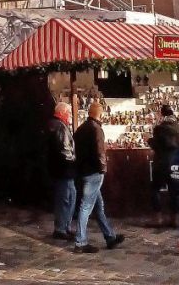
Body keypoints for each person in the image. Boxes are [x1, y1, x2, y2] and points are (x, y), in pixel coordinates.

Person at [73, 102, 125, 254]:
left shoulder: (81, 129)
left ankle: (109, 236)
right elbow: (99, 151)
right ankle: (80, 241)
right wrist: (103, 169)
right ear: (99, 114)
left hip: (83, 171)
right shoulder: (96, 129)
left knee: (97, 206)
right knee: (87, 206)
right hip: (94, 172)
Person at [47, 101, 76, 240]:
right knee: (66, 199)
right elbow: (64, 149)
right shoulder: (60, 126)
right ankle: (61, 228)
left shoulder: (54, 124)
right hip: (64, 170)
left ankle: (64, 227)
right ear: (63, 112)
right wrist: (73, 160)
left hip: (59, 169)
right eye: (69, 112)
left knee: (68, 197)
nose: (70, 115)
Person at [148, 105, 179, 225]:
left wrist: (149, 140)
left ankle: (158, 218)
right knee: (174, 190)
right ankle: (175, 218)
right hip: (175, 161)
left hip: (161, 162)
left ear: (162, 114)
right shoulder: (178, 127)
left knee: (155, 189)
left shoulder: (159, 128)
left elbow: (156, 145)